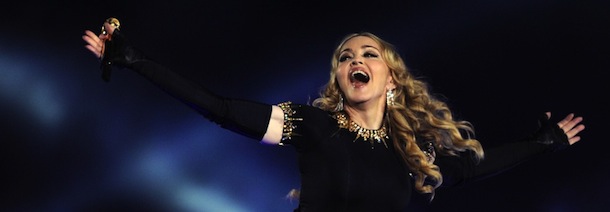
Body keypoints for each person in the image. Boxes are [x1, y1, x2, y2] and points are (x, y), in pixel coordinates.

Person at [82, 18, 585, 211]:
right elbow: (221, 109)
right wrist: (137, 61)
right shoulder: (313, 126)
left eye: (367, 54)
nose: (354, 61)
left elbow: (473, 168)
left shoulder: (413, 155)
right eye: (345, 57)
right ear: (339, 80)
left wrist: (542, 144)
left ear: (391, 79)